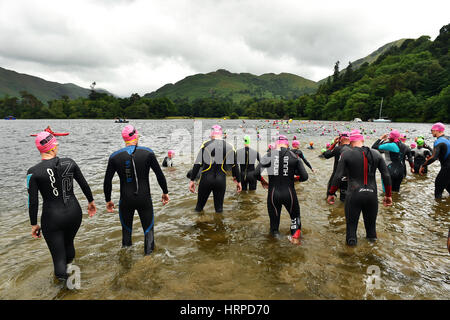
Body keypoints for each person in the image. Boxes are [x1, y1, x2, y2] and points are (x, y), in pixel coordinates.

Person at [27, 132, 97, 281]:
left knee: (58, 259)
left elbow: (33, 202)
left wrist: (33, 224)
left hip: (53, 218)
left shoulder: (33, 172)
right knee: (68, 244)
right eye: (56, 144)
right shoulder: (70, 162)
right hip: (74, 213)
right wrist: (91, 202)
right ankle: (72, 278)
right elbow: (84, 184)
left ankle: (66, 290)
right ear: (52, 147)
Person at [104, 125, 169, 255]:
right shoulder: (148, 153)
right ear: (136, 135)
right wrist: (165, 192)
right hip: (144, 198)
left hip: (126, 200)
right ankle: (149, 261)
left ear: (124, 139)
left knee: (126, 232)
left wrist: (108, 200)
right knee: (148, 231)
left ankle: (126, 263)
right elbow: (159, 174)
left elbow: (107, 181)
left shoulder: (115, 157)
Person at [327, 130, 392, 246]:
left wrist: (331, 193)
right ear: (362, 140)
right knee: (371, 232)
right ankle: (371, 255)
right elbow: (386, 175)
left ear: (351, 142)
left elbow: (338, 175)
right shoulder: (376, 153)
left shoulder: (346, 154)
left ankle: (350, 259)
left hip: (354, 195)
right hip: (372, 196)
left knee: (351, 232)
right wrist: (388, 195)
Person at [254, 135, 308, 244]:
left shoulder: (269, 155)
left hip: (273, 194)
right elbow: (305, 176)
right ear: (287, 144)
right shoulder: (294, 156)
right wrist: (296, 179)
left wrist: (263, 181)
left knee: (274, 228)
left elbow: (255, 173)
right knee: (295, 218)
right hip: (289, 193)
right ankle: (294, 239)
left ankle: (276, 247)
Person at [188, 125, 242, 213]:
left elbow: (197, 164)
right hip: (220, 181)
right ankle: (219, 225)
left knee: (198, 208)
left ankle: (198, 225)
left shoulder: (205, 144)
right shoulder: (230, 147)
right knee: (219, 210)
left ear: (212, 133)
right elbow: (235, 167)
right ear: (221, 134)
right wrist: (239, 182)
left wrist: (192, 180)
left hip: (206, 179)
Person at [419, 122, 450, 199]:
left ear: (437, 130)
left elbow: (433, 157)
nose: (431, 132)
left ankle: (438, 209)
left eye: (432, 130)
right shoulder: (448, 138)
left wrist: (423, 165)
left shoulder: (438, 141)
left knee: (438, 187)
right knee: (447, 185)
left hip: (447, 167)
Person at [323, 132, 351, 201]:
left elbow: (326, 155)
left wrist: (334, 144)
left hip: (336, 176)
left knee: (329, 196)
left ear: (340, 139)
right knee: (344, 200)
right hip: (348, 178)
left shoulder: (338, 148)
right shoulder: (354, 149)